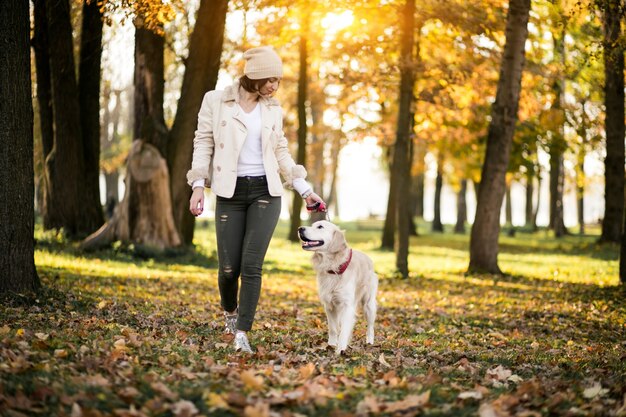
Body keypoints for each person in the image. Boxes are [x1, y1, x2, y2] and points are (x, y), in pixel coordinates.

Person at [187, 46, 325, 353]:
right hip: (230, 193)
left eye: (277, 80)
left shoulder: (272, 108)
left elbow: (280, 151)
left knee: (251, 266)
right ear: (254, 76)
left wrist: (305, 189)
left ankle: (242, 334)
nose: (274, 86)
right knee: (228, 270)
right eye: (269, 79)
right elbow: (203, 140)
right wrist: (198, 184)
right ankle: (230, 313)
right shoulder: (216, 100)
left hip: (265, 192)